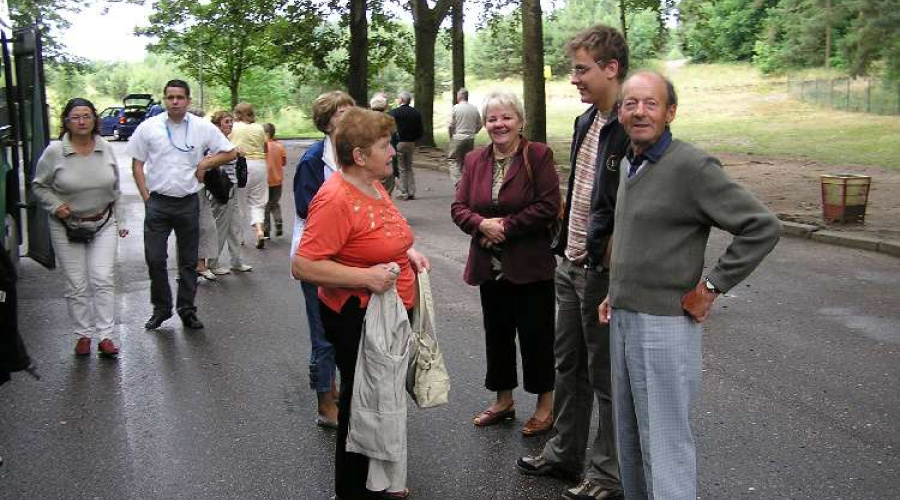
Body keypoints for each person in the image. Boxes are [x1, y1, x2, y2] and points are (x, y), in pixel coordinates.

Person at [599, 71, 780, 500]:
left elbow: (762, 226)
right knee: (630, 442)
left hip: (664, 325)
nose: (639, 112)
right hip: (623, 316)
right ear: (620, 112)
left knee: (664, 446)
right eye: (631, 103)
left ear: (670, 112)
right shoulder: (629, 162)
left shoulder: (692, 167)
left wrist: (713, 286)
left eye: (651, 103)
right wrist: (615, 289)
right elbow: (638, 236)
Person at [516, 25, 630, 500]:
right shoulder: (586, 121)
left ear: (611, 68)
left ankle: (608, 475)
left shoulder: (632, 124)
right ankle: (565, 453)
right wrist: (565, 247)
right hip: (570, 262)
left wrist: (612, 261)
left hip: (604, 272)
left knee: (605, 377)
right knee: (568, 365)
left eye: (582, 70)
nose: (574, 78)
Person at [293, 107, 430, 500]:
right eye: (385, 145)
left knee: (383, 400)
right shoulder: (335, 197)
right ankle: (352, 490)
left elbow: (378, 234)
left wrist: (407, 252)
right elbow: (304, 265)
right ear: (359, 155)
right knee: (362, 405)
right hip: (358, 317)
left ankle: (381, 482)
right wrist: (366, 278)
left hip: (390, 313)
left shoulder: (373, 184)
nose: (393, 152)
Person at [450, 92, 559, 437]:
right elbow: (459, 207)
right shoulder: (475, 160)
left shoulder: (538, 155)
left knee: (537, 337)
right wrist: (481, 225)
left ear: (520, 121)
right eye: (493, 118)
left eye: (506, 117)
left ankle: (545, 406)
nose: (499, 124)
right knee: (497, 335)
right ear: (485, 123)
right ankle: (503, 401)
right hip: (490, 267)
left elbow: (548, 206)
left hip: (531, 266)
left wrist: (504, 228)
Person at [128, 80, 237, 331]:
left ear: (188, 100)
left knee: (189, 261)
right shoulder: (149, 127)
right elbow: (137, 163)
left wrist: (205, 164)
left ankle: (187, 310)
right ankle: (161, 309)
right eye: (170, 97)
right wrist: (146, 196)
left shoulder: (201, 127)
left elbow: (230, 152)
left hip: (188, 201)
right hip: (158, 202)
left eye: (179, 97)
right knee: (155, 258)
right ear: (164, 100)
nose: (175, 101)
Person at [32, 97, 129, 356]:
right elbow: (39, 186)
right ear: (66, 121)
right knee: (76, 283)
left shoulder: (105, 148)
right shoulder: (55, 152)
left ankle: (106, 336)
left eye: (87, 116)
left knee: (103, 278)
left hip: (103, 222)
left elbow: (116, 188)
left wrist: (121, 220)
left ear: (95, 120)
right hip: (67, 226)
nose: (82, 121)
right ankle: (83, 335)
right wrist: (55, 206)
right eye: (75, 117)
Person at [292, 90, 355, 428]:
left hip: (350, 259)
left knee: (345, 330)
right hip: (318, 259)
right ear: (326, 123)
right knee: (323, 335)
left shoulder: (354, 154)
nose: (348, 117)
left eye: (350, 111)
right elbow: (308, 210)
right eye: (339, 113)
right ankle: (325, 404)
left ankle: (340, 392)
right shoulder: (313, 161)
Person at [208, 110, 252, 275]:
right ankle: (213, 263)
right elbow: (211, 163)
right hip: (222, 189)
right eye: (226, 122)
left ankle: (236, 261)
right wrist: (234, 153)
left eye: (231, 121)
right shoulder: (215, 142)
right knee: (220, 227)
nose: (230, 124)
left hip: (232, 187)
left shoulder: (225, 141)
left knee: (235, 225)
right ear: (217, 125)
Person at [231, 102, 269, 249]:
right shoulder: (259, 128)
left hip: (241, 165)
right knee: (258, 202)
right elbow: (265, 148)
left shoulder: (234, 127)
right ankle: (259, 231)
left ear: (237, 113)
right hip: (259, 165)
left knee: (239, 203)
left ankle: (239, 237)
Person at [387, 91, 423, 200]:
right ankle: (411, 191)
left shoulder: (394, 113)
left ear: (401, 100)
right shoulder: (416, 112)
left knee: (402, 167)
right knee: (409, 167)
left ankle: (404, 192)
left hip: (399, 143)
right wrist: (414, 138)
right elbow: (420, 130)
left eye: (398, 98)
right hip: (411, 143)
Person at [447, 87, 482, 186]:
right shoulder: (474, 108)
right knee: (466, 161)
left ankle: (459, 183)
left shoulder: (455, 108)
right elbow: (480, 124)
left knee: (453, 160)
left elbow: (450, 125)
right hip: (470, 138)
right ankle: (467, 183)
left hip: (458, 137)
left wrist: (451, 136)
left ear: (459, 96)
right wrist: (474, 132)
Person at [369, 93, 396, 195]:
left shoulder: (364, 122)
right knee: (387, 190)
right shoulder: (389, 121)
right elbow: (394, 141)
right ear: (385, 107)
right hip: (386, 158)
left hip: (371, 159)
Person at [263, 122, 286, 239]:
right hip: (278, 181)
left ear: (266, 134)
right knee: (275, 203)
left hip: (266, 181)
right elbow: (284, 162)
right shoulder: (279, 146)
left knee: (265, 206)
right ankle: (278, 221)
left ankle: (266, 230)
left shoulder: (263, 147)